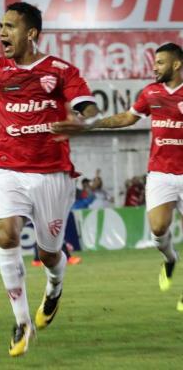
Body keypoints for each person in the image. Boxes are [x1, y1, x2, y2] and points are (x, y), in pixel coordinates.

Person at [0, 2, 99, 356]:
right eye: (0, 26)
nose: (3, 33)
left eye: (10, 26)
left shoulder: (60, 71)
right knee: (6, 234)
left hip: (52, 175)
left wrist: (82, 123)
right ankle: (23, 323)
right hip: (10, 171)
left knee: (49, 252)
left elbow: (89, 108)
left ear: (32, 34)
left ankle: (55, 286)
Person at [52, 42, 183, 311]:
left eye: (160, 62)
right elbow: (128, 117)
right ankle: (170, 259)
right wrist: (92, 123)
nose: (154, 67)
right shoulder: (151, 93)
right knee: (158, 230)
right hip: (160, 174)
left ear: (177, 64)